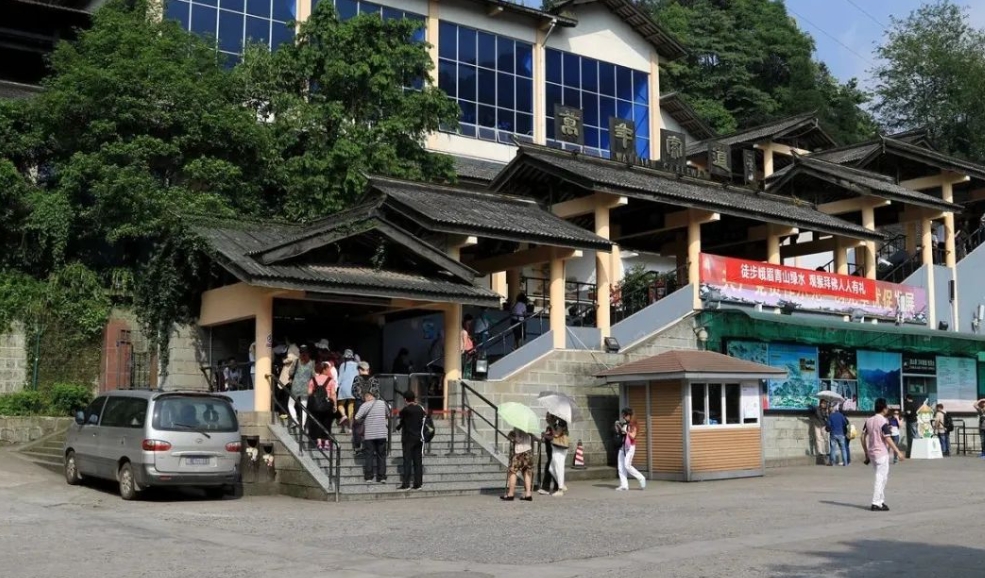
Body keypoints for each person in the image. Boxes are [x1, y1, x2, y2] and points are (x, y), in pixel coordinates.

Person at [861, 397, 905, 512]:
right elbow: (888, 438)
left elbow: (862, 437)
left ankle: (880, 501)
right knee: (880, 478)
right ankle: (876, 502)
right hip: (881, 453)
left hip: (872, 453)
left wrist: (866, 452)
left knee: (882, 477)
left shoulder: (869, 420)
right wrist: (898, 452)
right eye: (886, 408)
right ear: (884, 409)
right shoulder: (883, 422)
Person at [353, 386, 389, 483]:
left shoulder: (365, 405)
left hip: (369, 435)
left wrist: (365, 418)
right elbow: (388, 414)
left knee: (369, 455)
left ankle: (369, 477)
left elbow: (356, 418)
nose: (364, 400)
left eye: (365, 398)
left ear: (368, 397)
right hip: (382, 434)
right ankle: (382, 477)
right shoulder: (382, 403)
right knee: (381, 455)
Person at [396, 390, 427, 491]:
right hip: (419, 438)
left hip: (408, 438)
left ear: (405, 399)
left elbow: (401, 416)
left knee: (407, 461)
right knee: (418, 461)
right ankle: (418, 484)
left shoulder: (406, 410)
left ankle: (406, 484)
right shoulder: (420, 408)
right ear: (414, 398)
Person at [308, 361, 337, 450]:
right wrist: (335, 405)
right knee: (327, 423)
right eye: (328, 369)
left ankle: (319, 443)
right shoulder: (330, 380)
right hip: (327, 405)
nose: (330, 371)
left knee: (317, 423)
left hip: (316, 406)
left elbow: (309, 393)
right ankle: (327, 443)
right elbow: (333, 394)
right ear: (324, 370)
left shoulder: (313, 379)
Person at [615, 408, 646, 491]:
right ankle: (624, 485)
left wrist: (626, 431)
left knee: (627, 465)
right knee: (620, 466)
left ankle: (641, 478)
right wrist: (618, 428)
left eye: (625, 416)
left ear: (629, 415)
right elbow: (621, 433)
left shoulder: (634, 424)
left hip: (630, 446)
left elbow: (633, 436)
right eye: (623, 416)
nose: (624, 418)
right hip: (622, 446)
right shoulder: (625, 423)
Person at [501, 428, 533, 501]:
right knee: (526, 471)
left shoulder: (518, 426)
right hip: (528, 451)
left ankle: (511, 494)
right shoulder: (526, 425)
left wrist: (512, 437)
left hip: (520, 452)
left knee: (512, 471)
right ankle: (528, 494)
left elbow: (519, 439)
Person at [350, 361, 375, 454]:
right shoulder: (373, 379)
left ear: (360, 369)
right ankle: (368, 445)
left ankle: (357, 446)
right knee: (369, 424)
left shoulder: (357, 378)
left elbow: (354, 391)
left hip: (359, 404)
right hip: (371, 405)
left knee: (357, 424)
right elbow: (376, 393)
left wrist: (362, 397)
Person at [289, 345, 315, 431]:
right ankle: (302, 426)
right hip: (306, 388)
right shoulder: (311, 363)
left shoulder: (296, 361)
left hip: (295, 387)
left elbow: (290, 372)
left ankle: (295, 420)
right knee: (304, 407)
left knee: (290, 405)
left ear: (299, 352)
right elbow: (313, 375)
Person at [548, 415, 570, 496]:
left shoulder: (562, 421)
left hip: (560, 448)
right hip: (556, 447)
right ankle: (562, 484)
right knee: (551, 468)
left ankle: (560, 489)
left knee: (559, 467)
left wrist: (551, 425)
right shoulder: (558, 421)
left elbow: (556, 434)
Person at [538, 414, 558, 496]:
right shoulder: (548, 428)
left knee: (548, 469)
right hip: (549, 452)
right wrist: (538, 439)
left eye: (548, 417)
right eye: (546, 416)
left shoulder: (556, 427)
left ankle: (546, 488)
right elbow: (546, 440)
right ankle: (557, 487)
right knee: (553, 470)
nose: (546, 418)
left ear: (553, 418)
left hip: (555, 451)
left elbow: (555, 437)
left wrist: (545, 435)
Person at [810, 399, 830, 465]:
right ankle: (820, 451)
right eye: (823, 403)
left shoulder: (826, 410)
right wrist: (808, 404)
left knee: (825, 438)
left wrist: (827, 413)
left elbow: (828, 418)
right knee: (818, 438)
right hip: (817, 424)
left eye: (825, 404)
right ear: (821, 403)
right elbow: (812, 408)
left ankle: (827, 451)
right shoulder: (817, 408)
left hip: (823, 425)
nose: (824, 405)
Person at [461, 315, 476, 379]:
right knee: (468, 362)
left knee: (467, 362)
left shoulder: (464, 327)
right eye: (470, 321)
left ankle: (467, 375)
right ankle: (468, 375)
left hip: (468, 348)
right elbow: (464, 341)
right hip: (467, 349)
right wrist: (463, 349)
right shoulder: (465, 329)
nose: (470, 322)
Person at [903, 394, 918, 458]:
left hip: (910, 421)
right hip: (915, 420)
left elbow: (908, 412)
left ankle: (913, 450)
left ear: (908, 398)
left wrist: (904, 414)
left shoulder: (908, 404)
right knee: (915, 434)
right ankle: (915, 449)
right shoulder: (915, 404)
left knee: (911, 436)